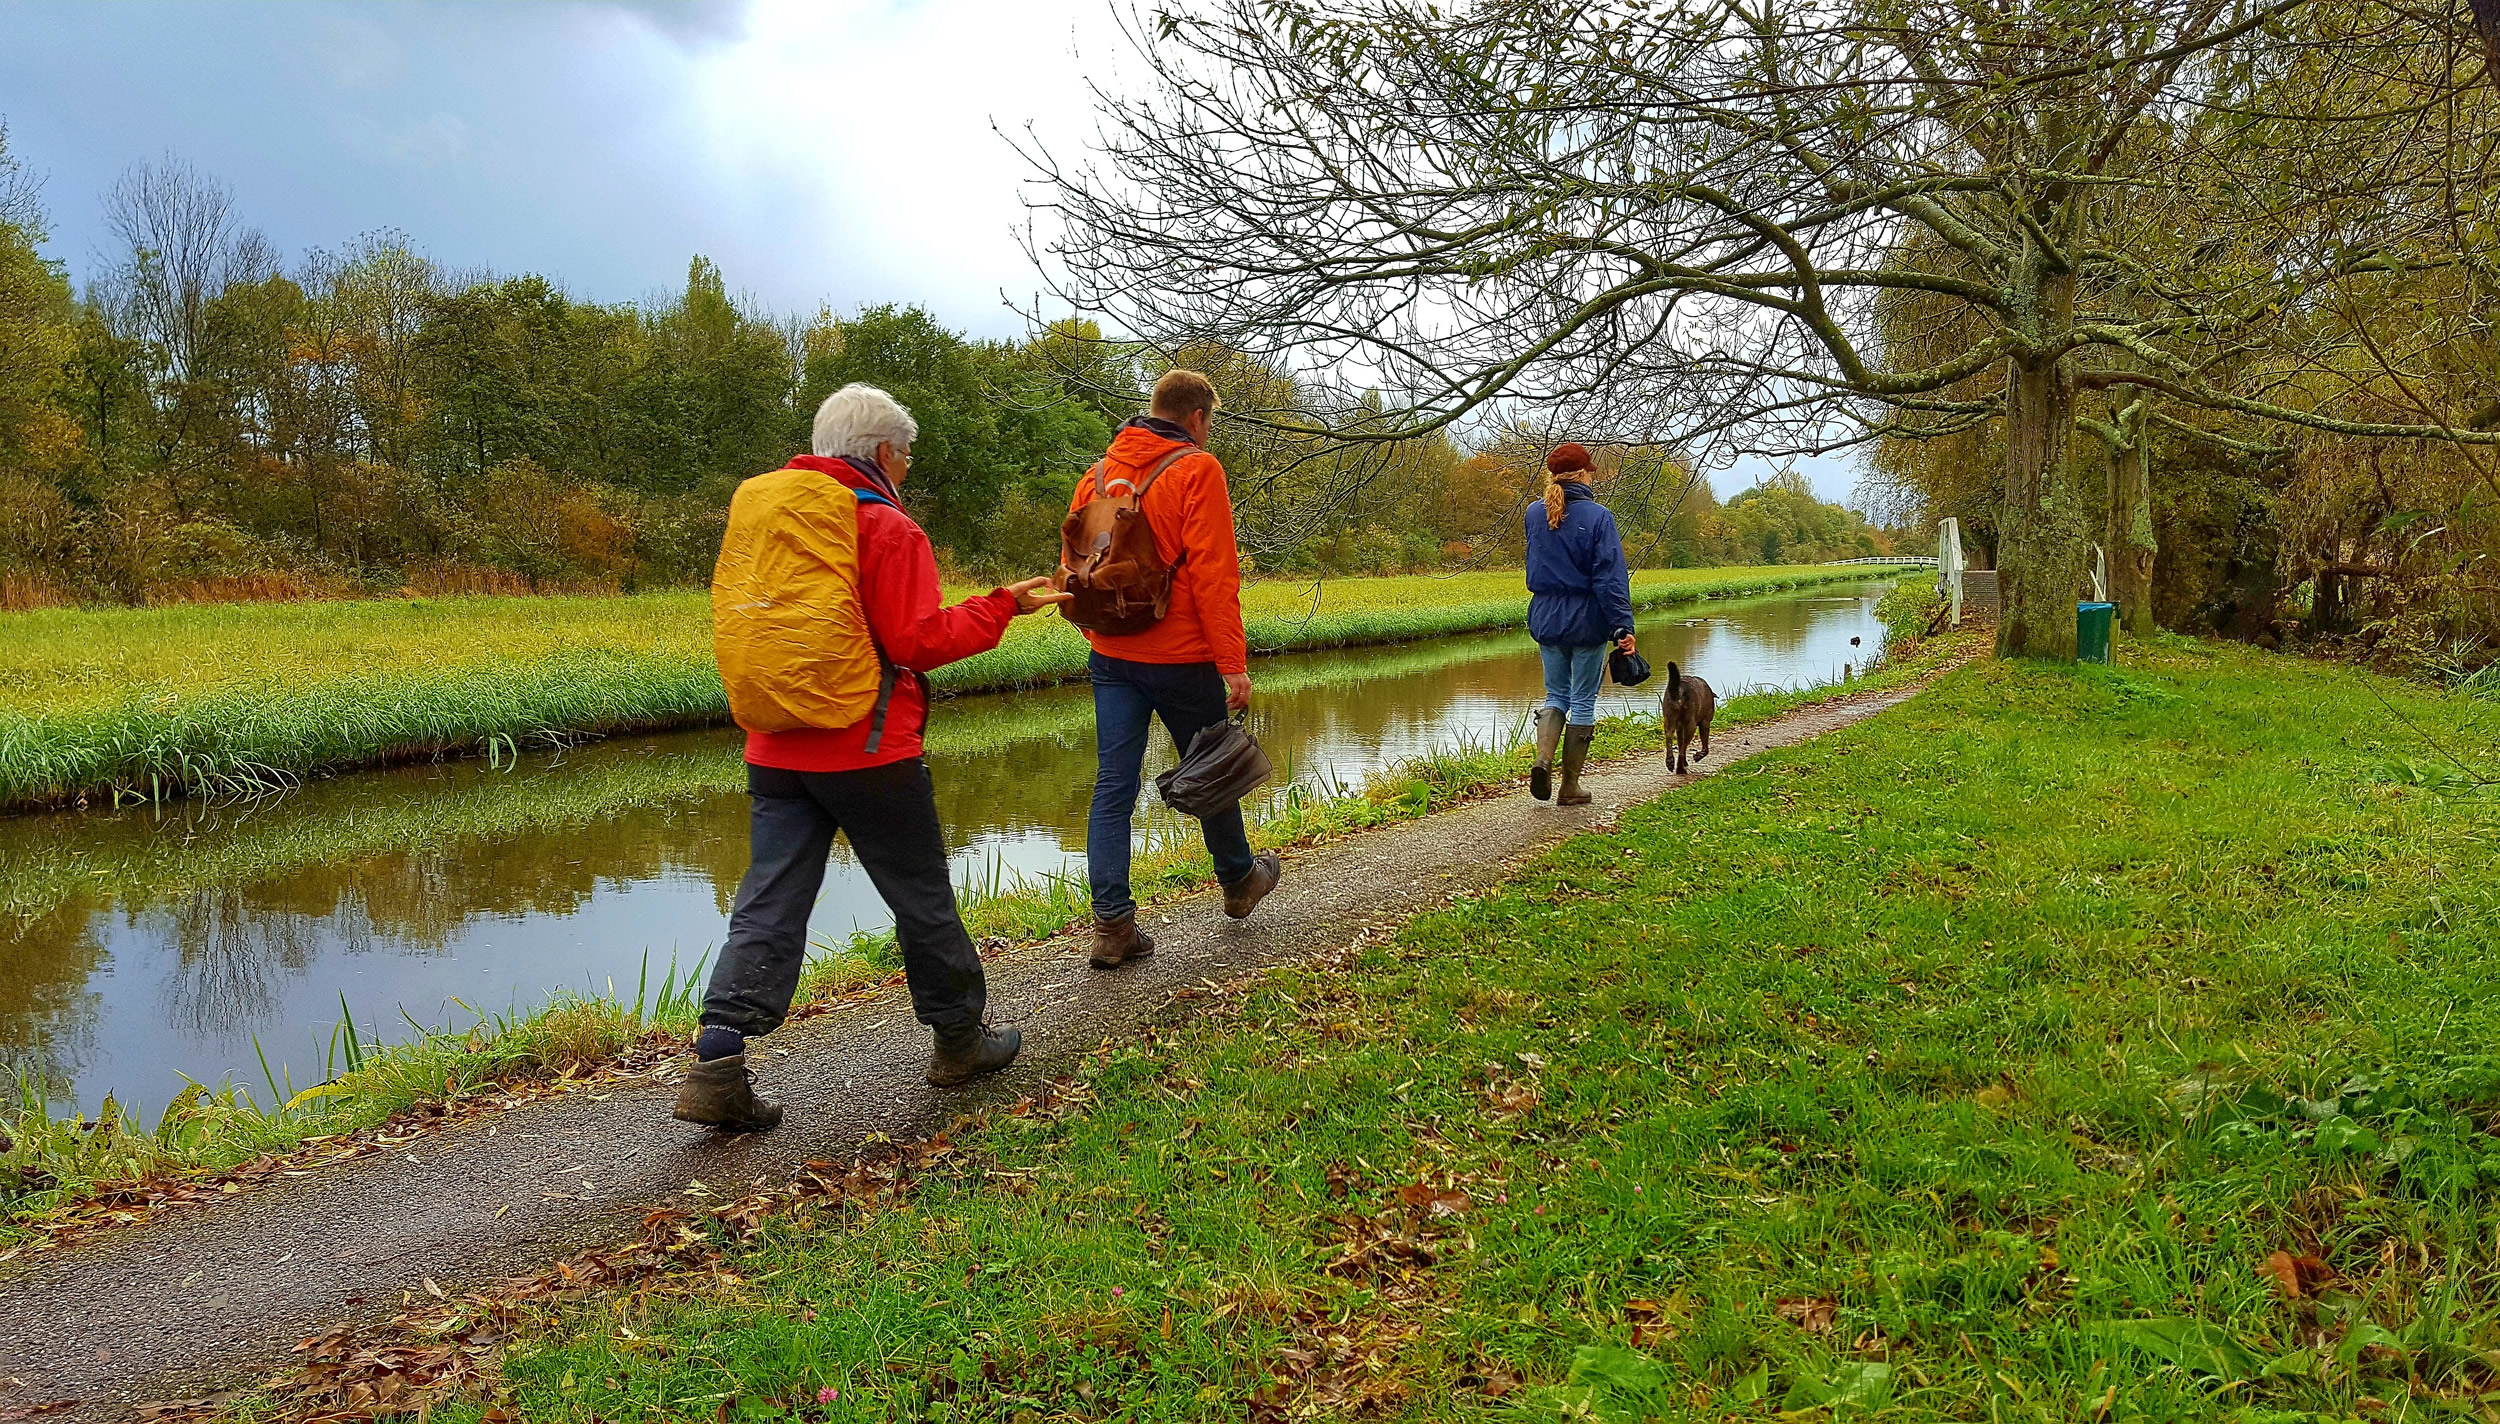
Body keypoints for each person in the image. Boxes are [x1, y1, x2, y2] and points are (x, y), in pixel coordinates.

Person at [674, 383, 1070, 1133]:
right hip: (866, 746)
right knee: (919, 894)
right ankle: (959, 1042)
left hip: (774, 745)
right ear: (884, 452)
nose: (909, 467)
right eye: (908, 454)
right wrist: (1002, 606)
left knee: (767, 902)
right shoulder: (886, 527)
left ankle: (717, 1064)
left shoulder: (765, 515)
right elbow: (917, 642)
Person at [1072, 369, 1282, 970]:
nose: (1208, 433)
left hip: (1112, 655)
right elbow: (1216, 572)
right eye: (1209, 422)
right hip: (1183, 656)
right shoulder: (1197, 470)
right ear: (1196, 418)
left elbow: (1078, 560)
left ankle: (1112, 926)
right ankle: (1239, 881)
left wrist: (1098, 633)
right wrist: (1232, 663)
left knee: (1113, 785)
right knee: (1213, 769)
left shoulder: (1099, 472)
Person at [1524, 442, 1636, 807]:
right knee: (1583, 699)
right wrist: (1622, 625)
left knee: (1555, 694)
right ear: (1584, 474)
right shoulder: (1599, 517)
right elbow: (1609, 578)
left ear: (1553, 475)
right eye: (1591, 471)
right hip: (1586, 619)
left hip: (1546, 617)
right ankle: (1569, 786)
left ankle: (1543, 760)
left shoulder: (1533, 514)